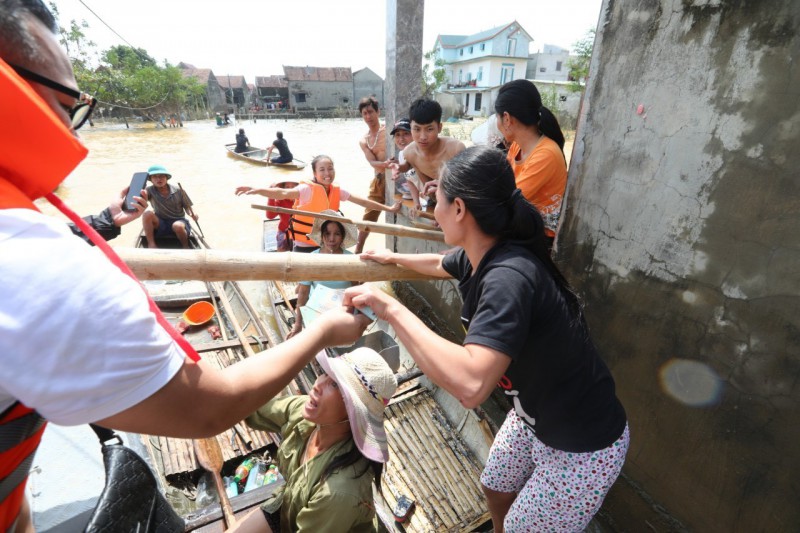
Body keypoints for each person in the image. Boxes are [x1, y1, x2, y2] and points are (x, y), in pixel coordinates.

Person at [0, 4, 370, 530]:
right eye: (70, 106)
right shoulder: (30, 259)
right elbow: (208, 410)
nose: (75, 130)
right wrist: (324, 329)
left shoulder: (21, 226)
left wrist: (105, 221)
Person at [346, 146, 630, 532]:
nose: (433, 209)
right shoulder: (480, 253)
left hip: (583, 444)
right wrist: (393, 261)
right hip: (537, 415)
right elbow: (441, 263)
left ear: (460, 209)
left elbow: (472, 384)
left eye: (437, 200)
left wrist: (390, 309)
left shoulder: (508, 278)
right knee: (495, 486)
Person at [230, 348, 397, 532]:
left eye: (334, 385)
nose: (318, 384)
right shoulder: (309, 416)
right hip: (289, 507)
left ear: (353, 412)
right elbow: (252, 406)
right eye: (325, 374)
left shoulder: (338, 489)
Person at [235, 154, 400, 253]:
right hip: (304, 245)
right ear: (314, 173)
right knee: (304, 287)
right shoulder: (307, 189)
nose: (327, 173)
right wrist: (257, 189)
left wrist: (389, 208)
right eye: (322, 170)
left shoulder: (337, 191)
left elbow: (362, 201)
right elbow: (283, 193)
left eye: (330, 168)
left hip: (327, 244)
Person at [495, 79, 567, 249]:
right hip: (523, 228)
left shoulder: (546, 154)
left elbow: (506, 202)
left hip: (540, 241)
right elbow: (498, 182)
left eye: (496, 117)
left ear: (506, 118)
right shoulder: (516, 146)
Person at [287, 211, 359, 339]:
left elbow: (356, 289)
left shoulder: (350, 259)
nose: (331, 239)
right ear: (321, 236)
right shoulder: (312, 259)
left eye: (336, 234)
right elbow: (303, 294)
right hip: (318, 310)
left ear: (342, 237)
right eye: (327, 234)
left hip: (343, 310)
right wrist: (298, 324)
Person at [390, 98, 465, 213]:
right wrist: (398, 167)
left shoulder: (455, 149)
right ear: (411, 127)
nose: (423, 137)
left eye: (429, 129)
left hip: (460, 200)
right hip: (434, 199)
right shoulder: (409, 153)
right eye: (417, 129)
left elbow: (469, 184)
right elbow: (408, 165)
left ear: (439, 128)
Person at [356, 96, 388, 253]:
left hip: (397, 178)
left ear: (378, 112)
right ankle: (358, 249)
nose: (368, 117)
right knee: (368, 216)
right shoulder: (364, 140)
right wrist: (384, 165)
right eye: (364, 113)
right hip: (379, 180)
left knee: (399, 213)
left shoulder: (389, 131)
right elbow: (371, 162)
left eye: (370, 112)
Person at [142, 164, 198, 248]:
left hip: (178, 220)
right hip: (160, 222)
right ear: (151, 180)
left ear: (166, 178)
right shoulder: (149, 190)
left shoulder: (179, 190)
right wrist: (141, 189)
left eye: (161, 176)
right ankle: (151, 244)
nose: (158, 179)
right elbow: (142, 201)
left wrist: (192, 214)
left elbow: (187, 206)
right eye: (155, 177)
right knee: (147, 214)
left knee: (177, 226)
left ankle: (185, 246)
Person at [68, 186, 148, 244]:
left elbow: (74, 234)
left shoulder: (61, 231)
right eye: (155, 176)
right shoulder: (151, 190)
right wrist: (109, 219)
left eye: (161, 176)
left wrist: (111, 218)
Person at [265, 179, 299, 252]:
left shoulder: (303, 199)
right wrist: (271, 196)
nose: (290, 190)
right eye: (287, 187)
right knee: (281, 252)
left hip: (299, 232)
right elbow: (270, 216)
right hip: (284, 231)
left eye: (293, 187)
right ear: (283, 189)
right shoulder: (281, 200)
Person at [387, 117, 413, 199]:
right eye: (397, 135)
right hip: (411, 195)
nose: (401, 139)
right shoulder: (401, 154)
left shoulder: (421, 154)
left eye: (406, 133)